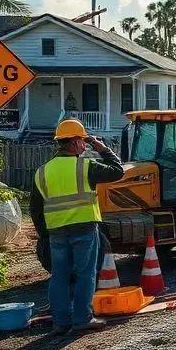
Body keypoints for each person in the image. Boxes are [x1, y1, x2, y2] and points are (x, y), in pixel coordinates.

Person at [31, 119, 124, 334]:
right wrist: (103, 148)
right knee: (86, 274)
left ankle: (60, 322)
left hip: (56, 232)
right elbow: (117, 170)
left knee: (59, 276)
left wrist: (45, 235)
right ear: (73, 142)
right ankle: (82, 318)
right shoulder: (85, 166)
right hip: (83, 228)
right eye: (82, 141)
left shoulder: (42, 172)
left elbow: (36, 209)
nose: (84, 145)